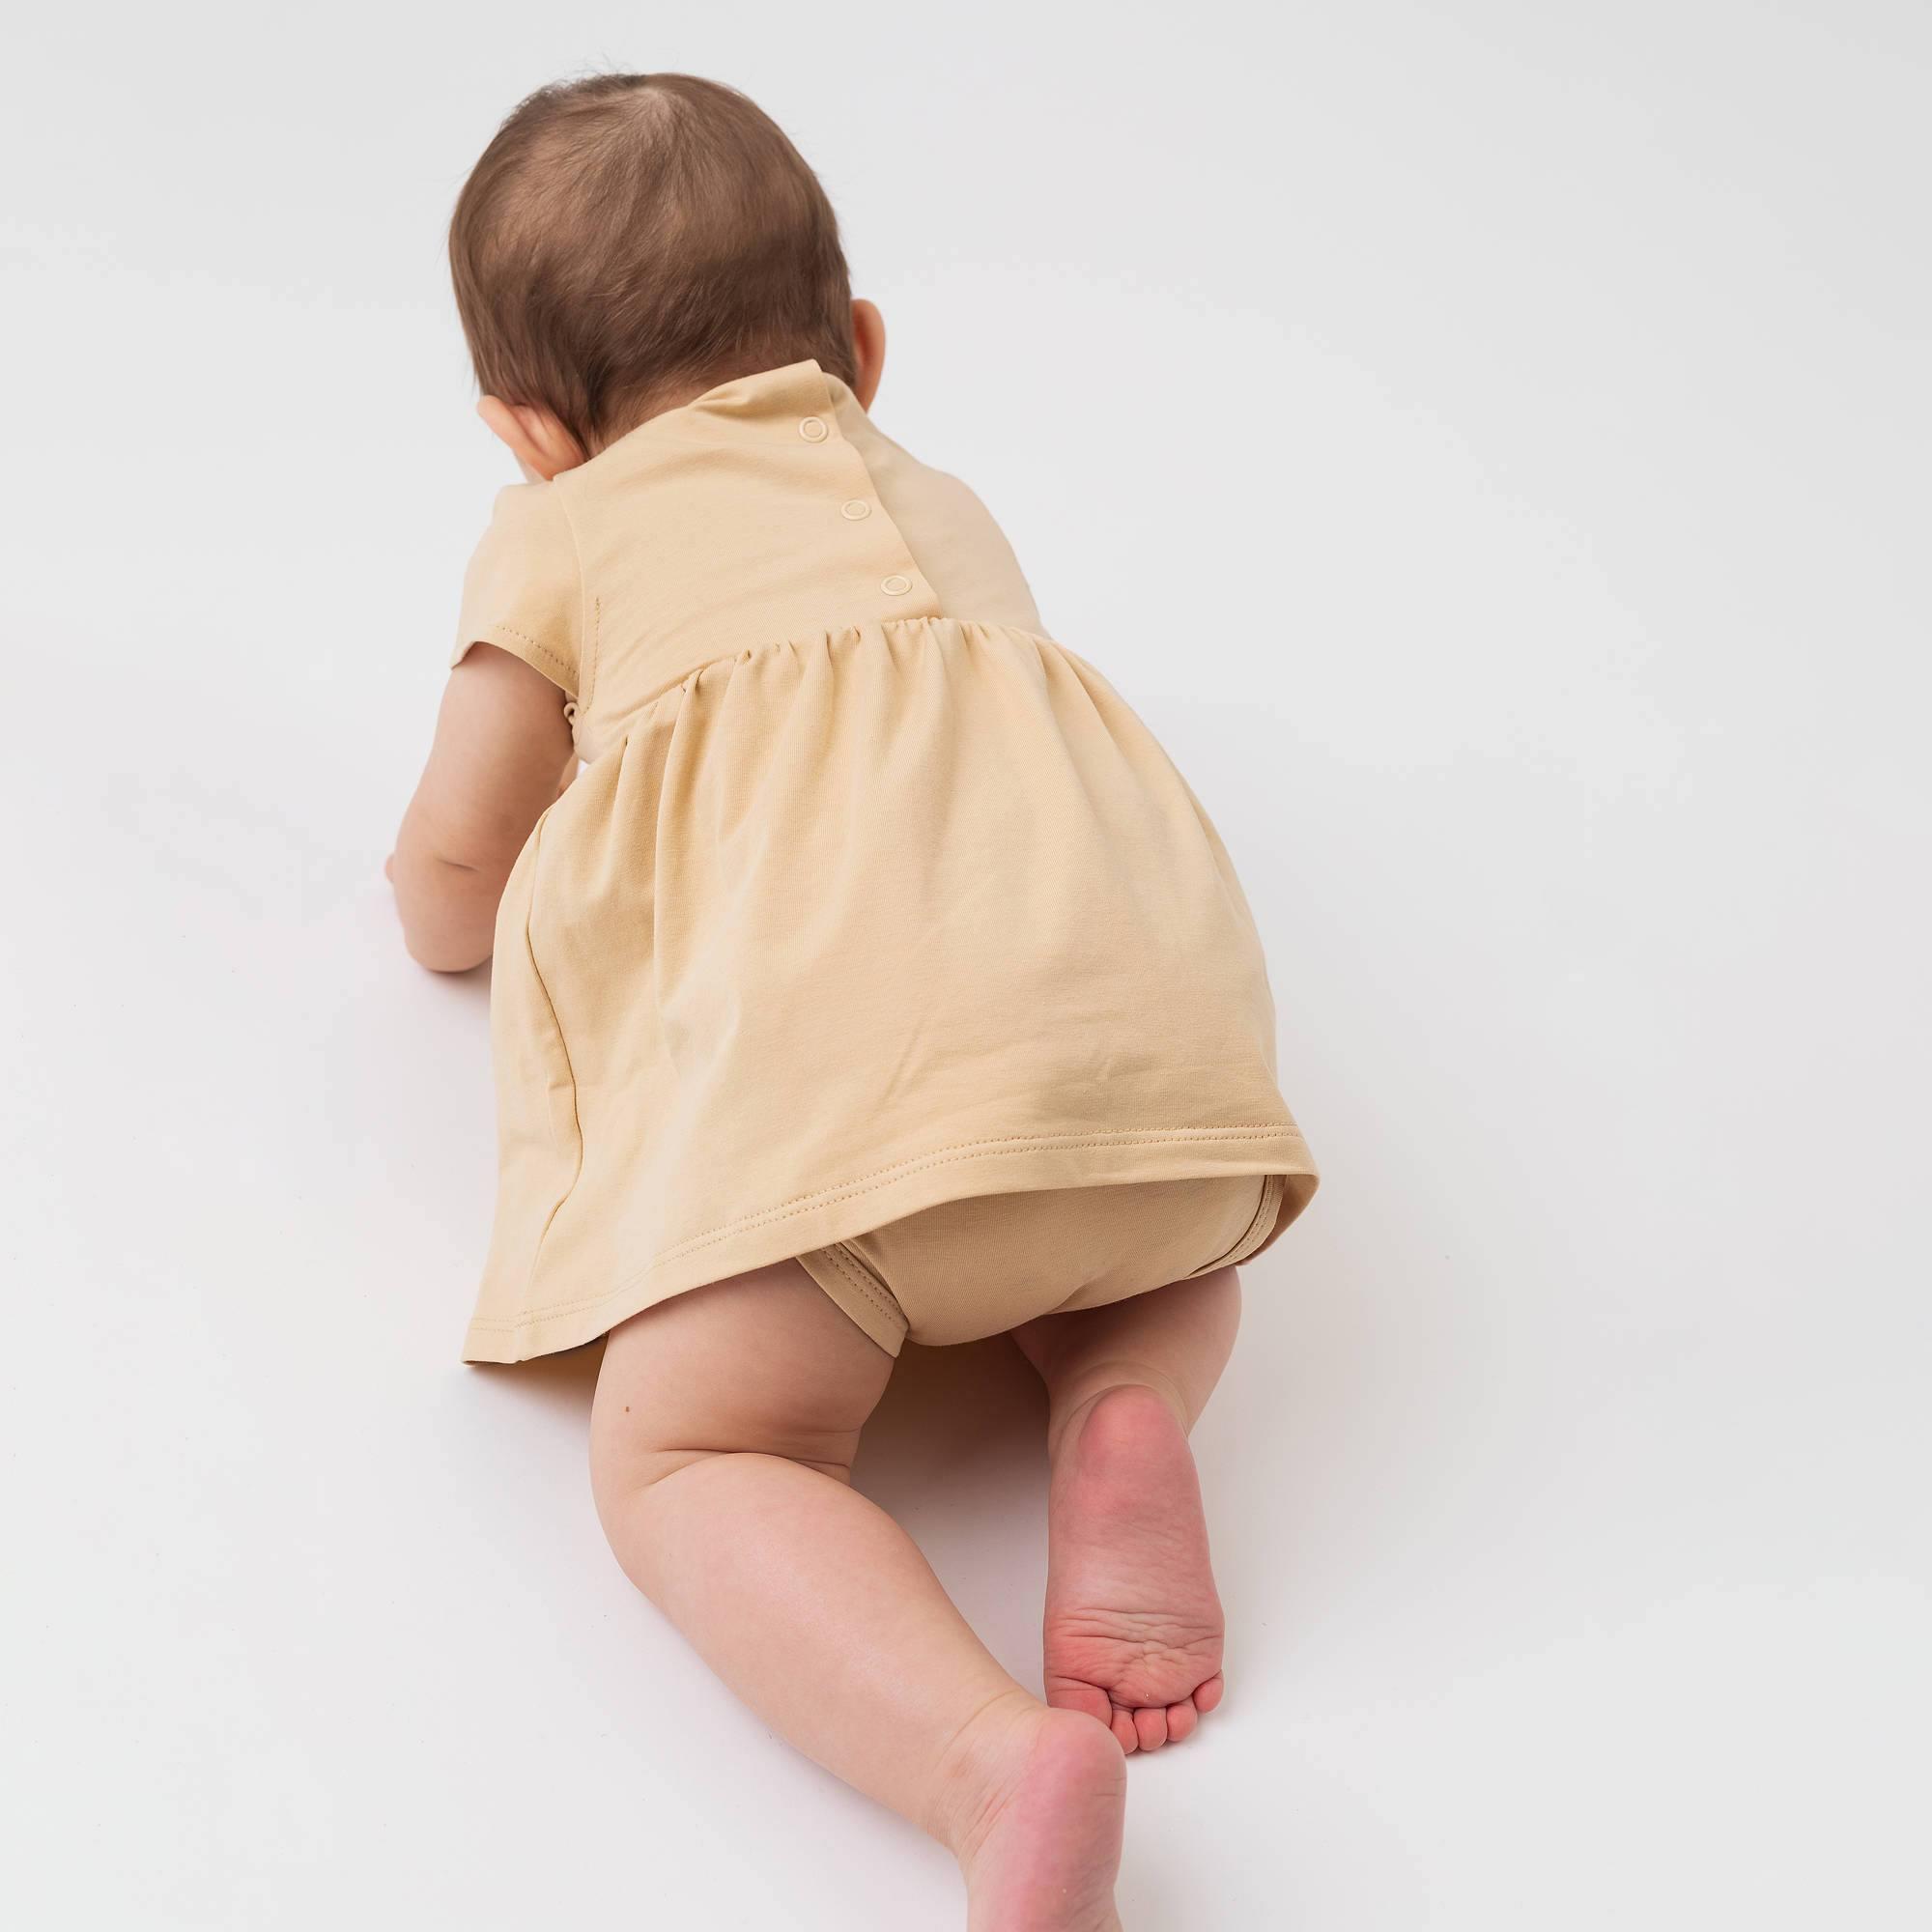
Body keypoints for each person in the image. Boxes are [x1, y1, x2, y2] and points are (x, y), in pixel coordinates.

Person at [389, 71, 1318, 1929]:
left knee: (693, 1450)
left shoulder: (564, 534)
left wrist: (443, 911)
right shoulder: (928, 492)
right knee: (1146, 1234)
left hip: (836, 1144)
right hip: (1134, 1084)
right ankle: (1122, 1386)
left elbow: (451, 878)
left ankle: (982, 1764)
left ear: (528, 432)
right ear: (863, 352)